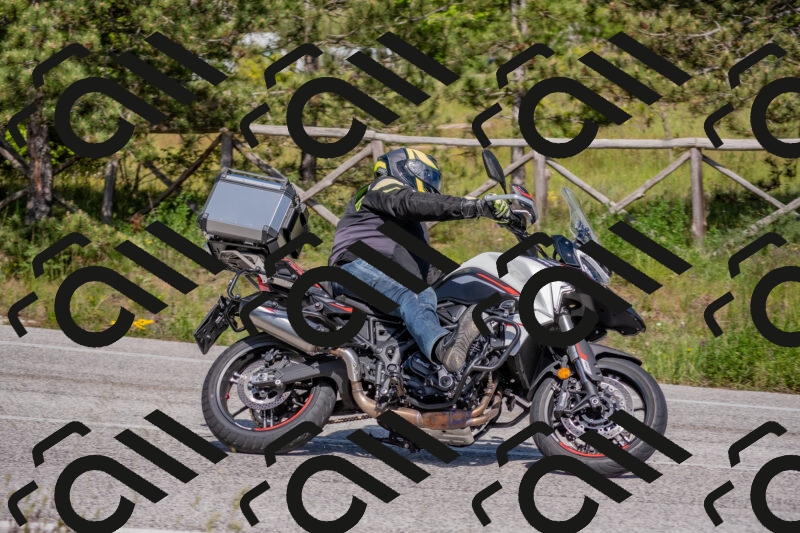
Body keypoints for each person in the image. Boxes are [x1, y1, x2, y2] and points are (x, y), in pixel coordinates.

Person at [328, 147, 515, 373]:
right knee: (417, 293)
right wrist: (473, 206)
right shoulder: (383, 187)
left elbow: (432, 271)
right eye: (426, 174)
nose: (430, 182)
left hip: (383, 274)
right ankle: (442, 348)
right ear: (403, 168)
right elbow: (410, 201)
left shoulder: (410, 225)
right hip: (353, 265)